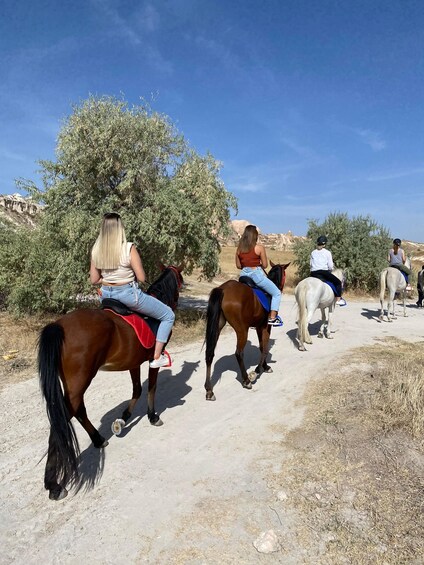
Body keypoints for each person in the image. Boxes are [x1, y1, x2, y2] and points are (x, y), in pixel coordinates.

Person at [90, 212, 175, 368]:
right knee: (168, 315)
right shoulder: (129, 248)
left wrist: (109, 280)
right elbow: (142, 278)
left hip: (106, 296)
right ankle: (157, 356)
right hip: (128, 295)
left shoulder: (96, 250)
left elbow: (94, 280)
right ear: (120, 228)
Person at [235, 224, 283, 326]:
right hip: (256, 275)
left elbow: (238, 266)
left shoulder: (239, 249)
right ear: (255, 235)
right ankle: (273, 318)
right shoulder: (259, 248)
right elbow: (265, 265)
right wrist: (257, 264)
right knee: (276, 293)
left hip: (243, 275)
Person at [310, 235, 346, 306]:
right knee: (338, 282)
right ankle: (338, 300)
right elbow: (330, 266)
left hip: (313, 273)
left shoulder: (313, 252)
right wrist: (331, 269)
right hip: (323, 273)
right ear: (324, 244)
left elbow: (311, 264)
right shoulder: (327, 252)